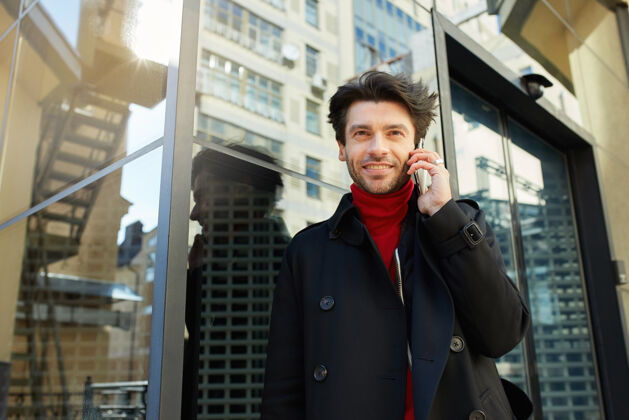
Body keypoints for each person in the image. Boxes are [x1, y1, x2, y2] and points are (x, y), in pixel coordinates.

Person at [261, 71, 532, 420]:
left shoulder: (460, 224)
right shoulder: (307, 252)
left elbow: (504, 335)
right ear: (342, 148)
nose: (377, 148)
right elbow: (283, 388)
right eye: (361, 134)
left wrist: (444, 217)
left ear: (415, 147)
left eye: (394, 133)